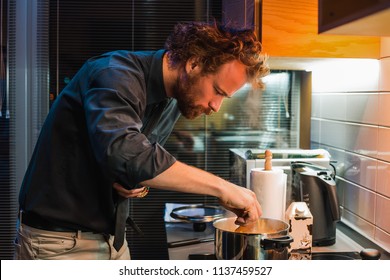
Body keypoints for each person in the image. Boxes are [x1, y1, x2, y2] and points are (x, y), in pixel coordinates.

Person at [14, 21, 269, 260]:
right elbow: (127, 154)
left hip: (111, 240)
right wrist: (224, 188)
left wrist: (132, 182)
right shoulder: (114, 74)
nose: (216, 106)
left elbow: (132, 161)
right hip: (60, 244)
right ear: (194, 64)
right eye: (217, 91)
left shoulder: (171, 100)